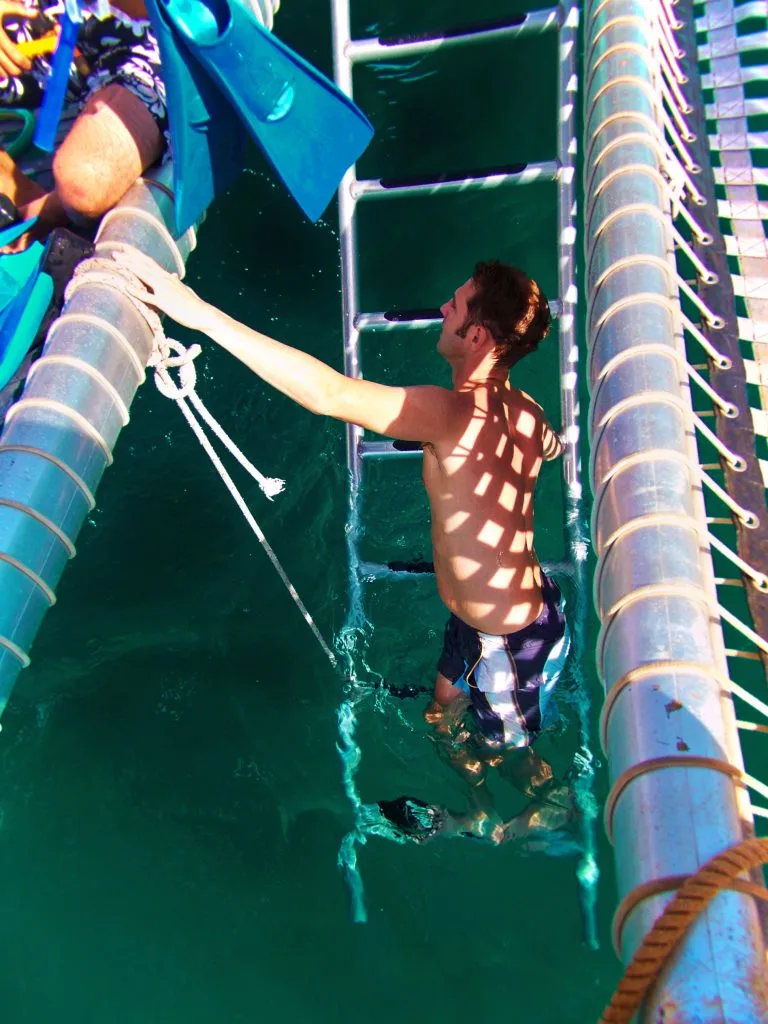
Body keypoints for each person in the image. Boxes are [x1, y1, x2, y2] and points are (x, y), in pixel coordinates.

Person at [116, 248, 576, 850]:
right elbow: (550, 449)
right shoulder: (523, 411)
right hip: (490, 618)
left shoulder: (451, 413)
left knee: (509, 752)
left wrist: (198, 314)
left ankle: (554, 806)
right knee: (440, 719)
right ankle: (477, 806)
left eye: (456, 304)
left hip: (511, 642)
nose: (443, 307)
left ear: (478, 334)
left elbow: (327, 394)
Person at [0, 0, 167, 250]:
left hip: (158, 37)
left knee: (84, 181)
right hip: (58, 18)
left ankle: (46, 214)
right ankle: (17, 197)